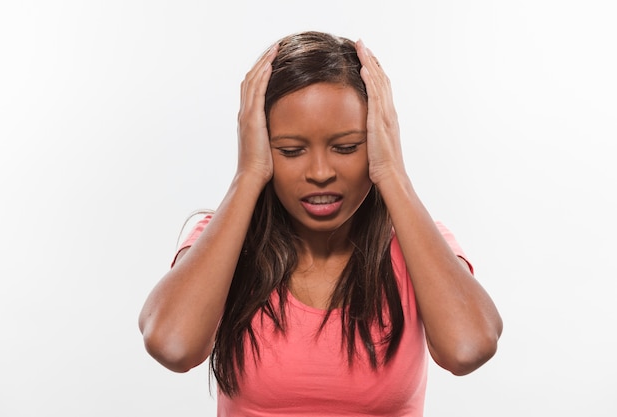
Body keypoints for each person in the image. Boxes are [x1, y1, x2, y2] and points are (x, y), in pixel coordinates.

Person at [139, 31, 503, 416]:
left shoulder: (417, 246)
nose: (319, 172)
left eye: (346, 147)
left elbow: (469, 348)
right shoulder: (224, 242)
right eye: (291, 150)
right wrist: (247, 175)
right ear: (260, 144)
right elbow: (172, 345)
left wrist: (393, 173)